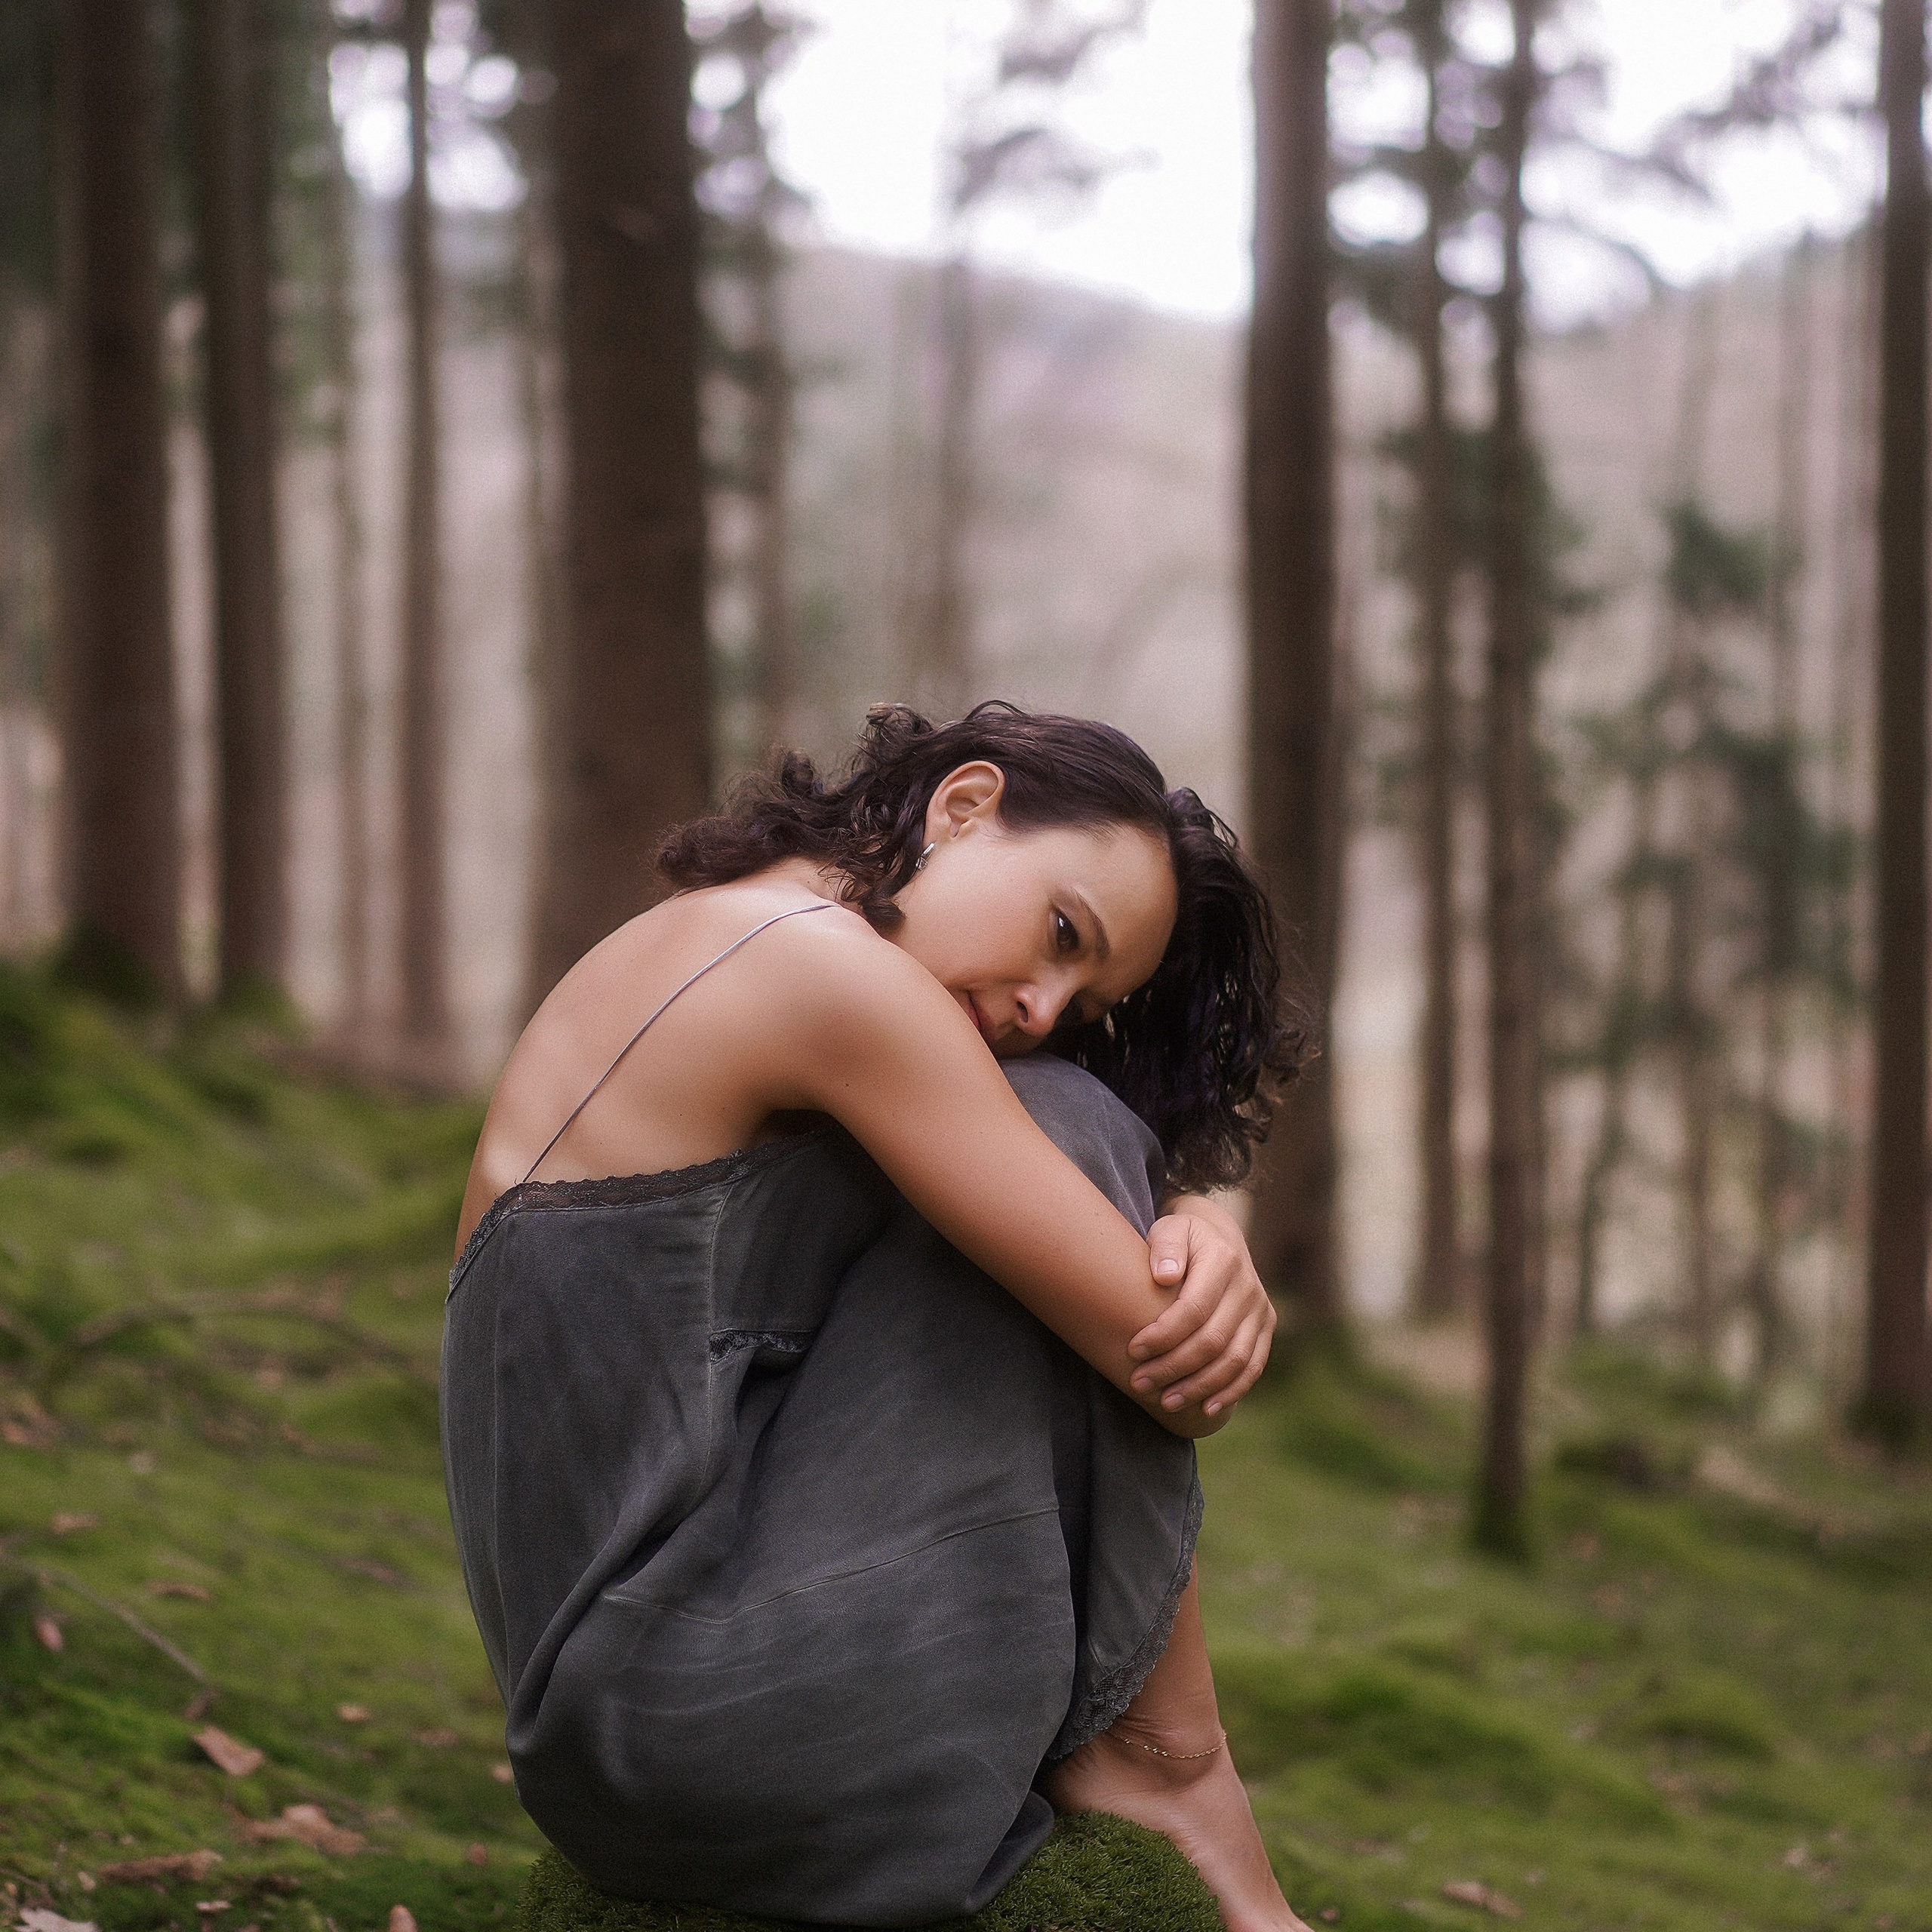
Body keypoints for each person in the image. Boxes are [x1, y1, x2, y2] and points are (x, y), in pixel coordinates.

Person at [442, 703, 1315, 1931]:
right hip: (691, 1712)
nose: (1042, 1007)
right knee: (1073, 1119)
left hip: (627, 1730)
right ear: (964, 806)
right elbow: (1170, 1362)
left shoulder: (735, 933)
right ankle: (1169, 1757)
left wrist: (1191, 1211)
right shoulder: (817, 969)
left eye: (1080, 1000)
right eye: (1063, 933)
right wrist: (1198, 1229)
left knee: (1065, 1122)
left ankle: (1160, 1758)